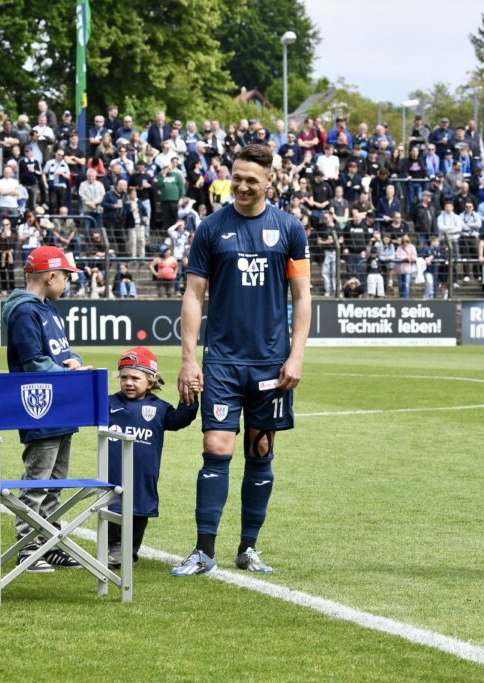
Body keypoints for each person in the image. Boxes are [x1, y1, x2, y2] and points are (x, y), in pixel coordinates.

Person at [173, 144, 311, 576]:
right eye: (238, 177)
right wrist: (189, 359)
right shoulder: (211, 228)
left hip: (271, 364)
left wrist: (296, 354)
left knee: (261, 450)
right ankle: (204, 551)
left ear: (270, 181)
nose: (243, 185)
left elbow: (302, 296)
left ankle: (248, 548)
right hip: (222, 362)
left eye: (253, 179)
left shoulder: (289, 229)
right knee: (216, 446)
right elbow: (193, 295)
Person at [0, 245, 91, 572]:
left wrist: (74, 361)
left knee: (56, 481)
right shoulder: (25, 312)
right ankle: (27, 545)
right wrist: (69, 374)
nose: (67, 281)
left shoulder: (48, 308)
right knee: (38, 479)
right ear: (51, 276)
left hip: (61, 406)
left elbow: (62, 351)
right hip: (40, 407)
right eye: (65, 276)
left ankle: (50, 542)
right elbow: (34, 363)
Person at [105, 347, 198, 566]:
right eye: (124, 377)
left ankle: (131, 550)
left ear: (151, 381)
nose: (128, 383)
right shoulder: (108, 403)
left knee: (140, 510)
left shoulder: (160, 408)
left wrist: (191, 399)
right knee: (113, 508)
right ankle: (115, 546)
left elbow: (179, 421)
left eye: (135, 378)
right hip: (114, 473)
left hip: (144, 476)